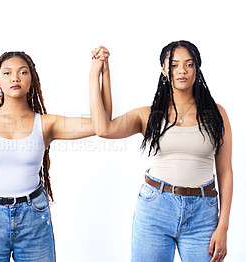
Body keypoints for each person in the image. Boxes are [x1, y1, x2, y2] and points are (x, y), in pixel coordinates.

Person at [0, 48, 110, 262]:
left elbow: (102, 125)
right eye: (7, 73)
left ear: (32, 80)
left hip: (33, 218)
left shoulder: (47, 124)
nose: (15, 77)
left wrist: (98, 73)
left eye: (23, 72)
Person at [89, 40, 232, 262]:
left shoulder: (216, 114)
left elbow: (225, 172)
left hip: (203, 214)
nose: (181, 70)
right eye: (174, 65)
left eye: (189, 64)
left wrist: (223, 227)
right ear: (164, 70)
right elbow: (103, 128)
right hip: (155, 209)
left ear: (197, 69)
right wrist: (98, 73)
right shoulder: (148, 115)